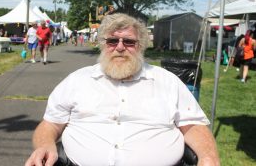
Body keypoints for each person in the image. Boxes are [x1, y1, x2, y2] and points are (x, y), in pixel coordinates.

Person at [25, 13, 220, 166]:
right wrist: (45, 145)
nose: (120, 47)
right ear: (103, 44)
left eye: (128, 41)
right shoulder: (77, 80)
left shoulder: (167, 82)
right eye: (112, 41)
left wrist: (208, 157)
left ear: (140, 45)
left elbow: (194, 125)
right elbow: (50, 124)